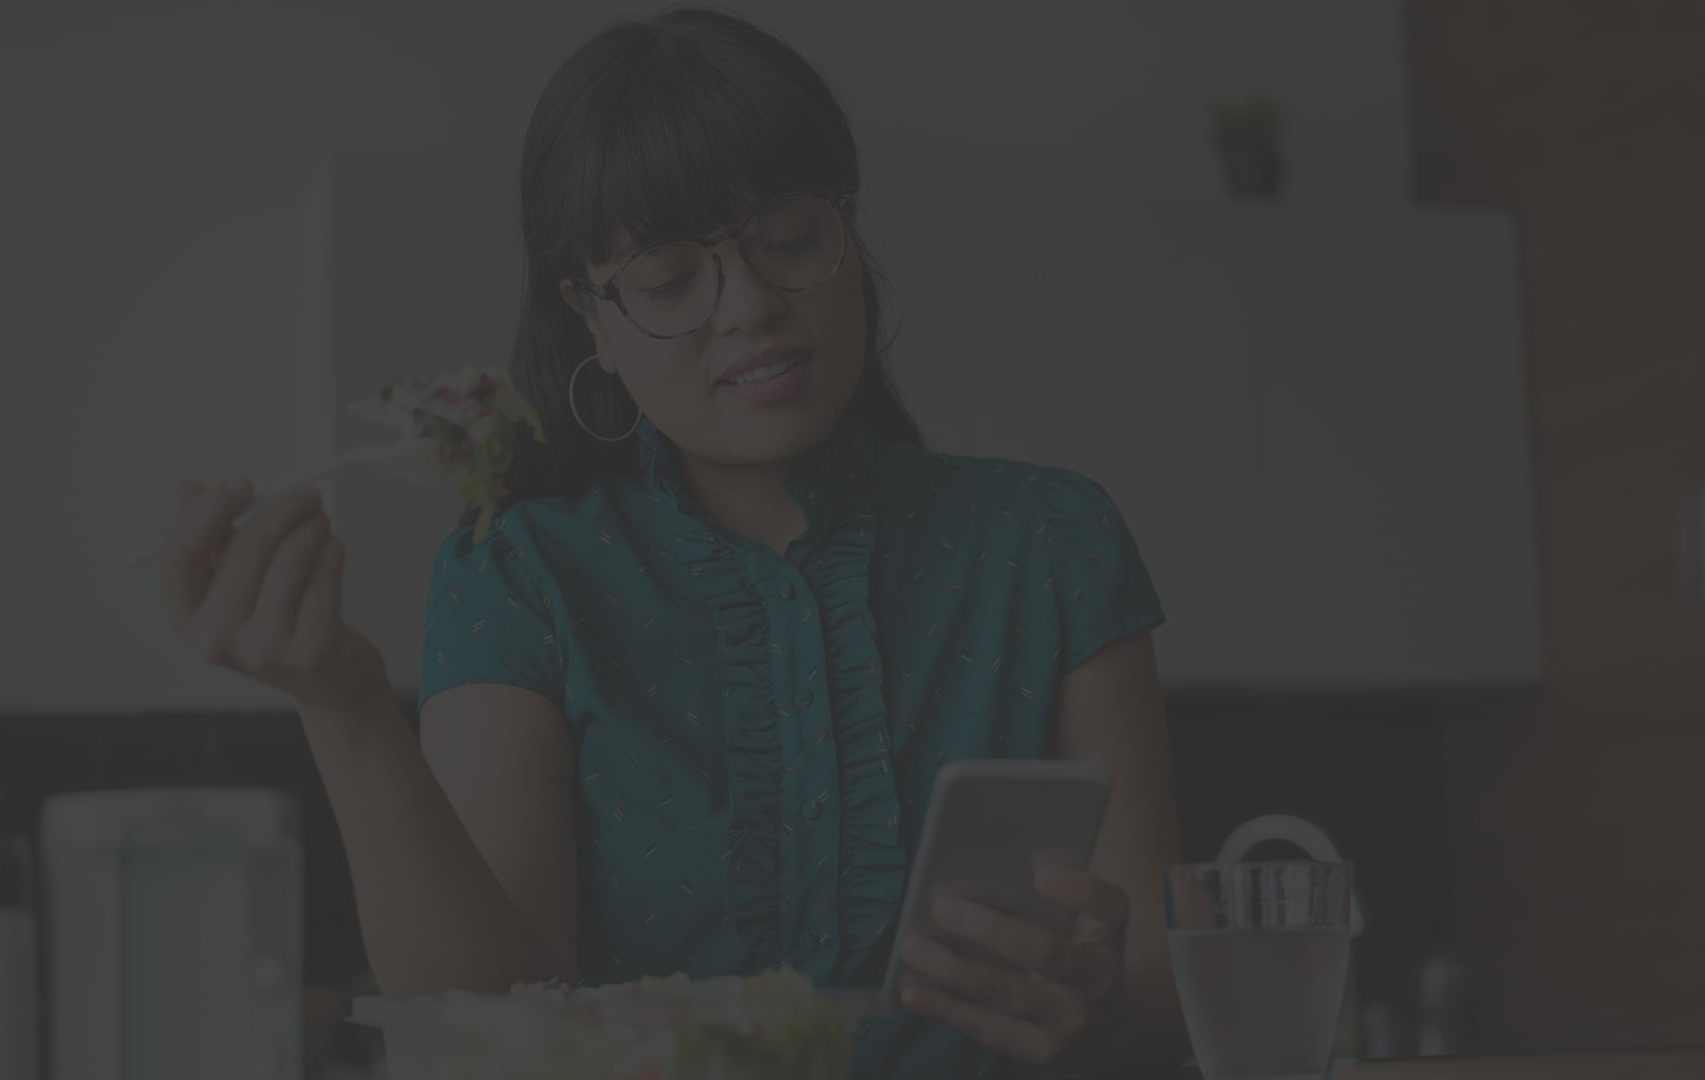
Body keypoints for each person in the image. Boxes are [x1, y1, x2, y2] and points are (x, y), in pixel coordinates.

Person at [159, 6, 1185, 1076]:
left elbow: (1166, 994)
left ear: (850, 237)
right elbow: (481, 1013)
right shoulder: (520, 574)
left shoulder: (1054, 541)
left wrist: (1101, 1009)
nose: (749, 306)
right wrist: (346, 705)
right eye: (666, 280)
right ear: (590, 317)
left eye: (788, 238)